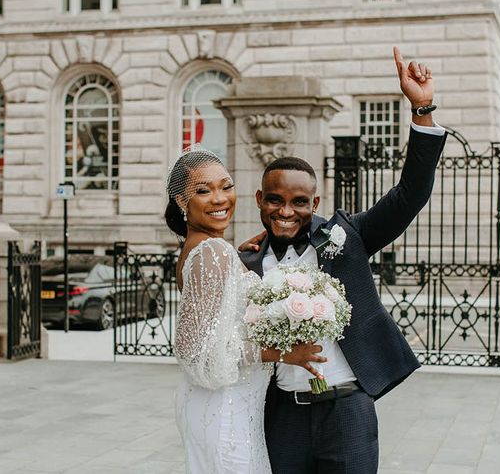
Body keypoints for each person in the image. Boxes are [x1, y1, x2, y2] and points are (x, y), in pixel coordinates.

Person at [239, 47, 447, 473]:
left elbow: (410, 195)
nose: (285, 211)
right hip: (283, 415)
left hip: (348, 407)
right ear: (260, 199)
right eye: (274, 200)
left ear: (314, 201)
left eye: (299, 202)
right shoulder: (246, 261)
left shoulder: (345, 238)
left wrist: (421, 108)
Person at [166, 149, 326, 473]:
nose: (219, 198)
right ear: (182, 202)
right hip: (224, 410)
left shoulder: (207, 250)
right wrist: (283, 353)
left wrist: (237, 259)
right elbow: (195, 352)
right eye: (203, 190)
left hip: (230, 407)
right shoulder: (212, 252)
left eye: (225, 186)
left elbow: (220, 316)